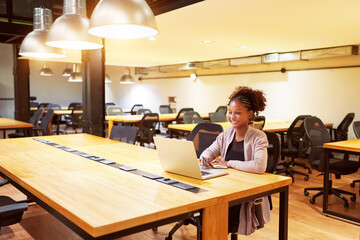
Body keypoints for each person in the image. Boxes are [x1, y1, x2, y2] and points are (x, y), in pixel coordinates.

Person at [199, 86, 270, 236]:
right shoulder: (227, 133)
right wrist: (205, 158)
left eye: (237, 113)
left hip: (244, 192)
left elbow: (259, 166)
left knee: (213, 215)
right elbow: (211, 150)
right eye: (230, 113)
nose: (232, 117)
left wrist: (228, 163)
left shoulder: (259, 136)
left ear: (250, 114)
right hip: (225, 186)